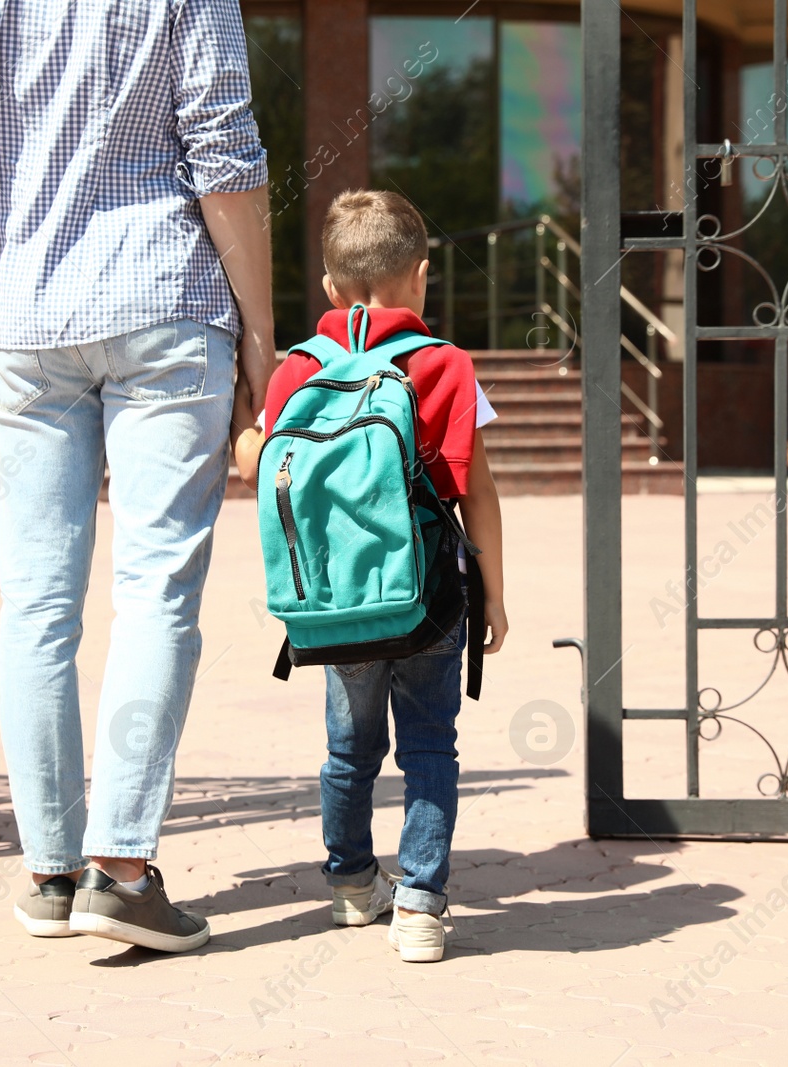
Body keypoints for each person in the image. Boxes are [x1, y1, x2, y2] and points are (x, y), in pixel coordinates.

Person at [0, 0, 273, 951]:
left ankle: (50, 871)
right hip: (162, 294)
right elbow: (225, 150)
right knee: (155, 587)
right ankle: (121, 870)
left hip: (27, 308)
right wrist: (262, 334)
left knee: (34, 601)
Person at [231, 190, 507, 962]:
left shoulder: (299, 369)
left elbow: (255, 462)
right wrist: (493, 589)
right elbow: (475, 487)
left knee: (349, 751)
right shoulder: (445, 364)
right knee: (429, 746)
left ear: (329, 289)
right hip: (426, 599)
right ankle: (420, 904)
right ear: (422, 277)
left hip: (330, 603)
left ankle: (353, 883)